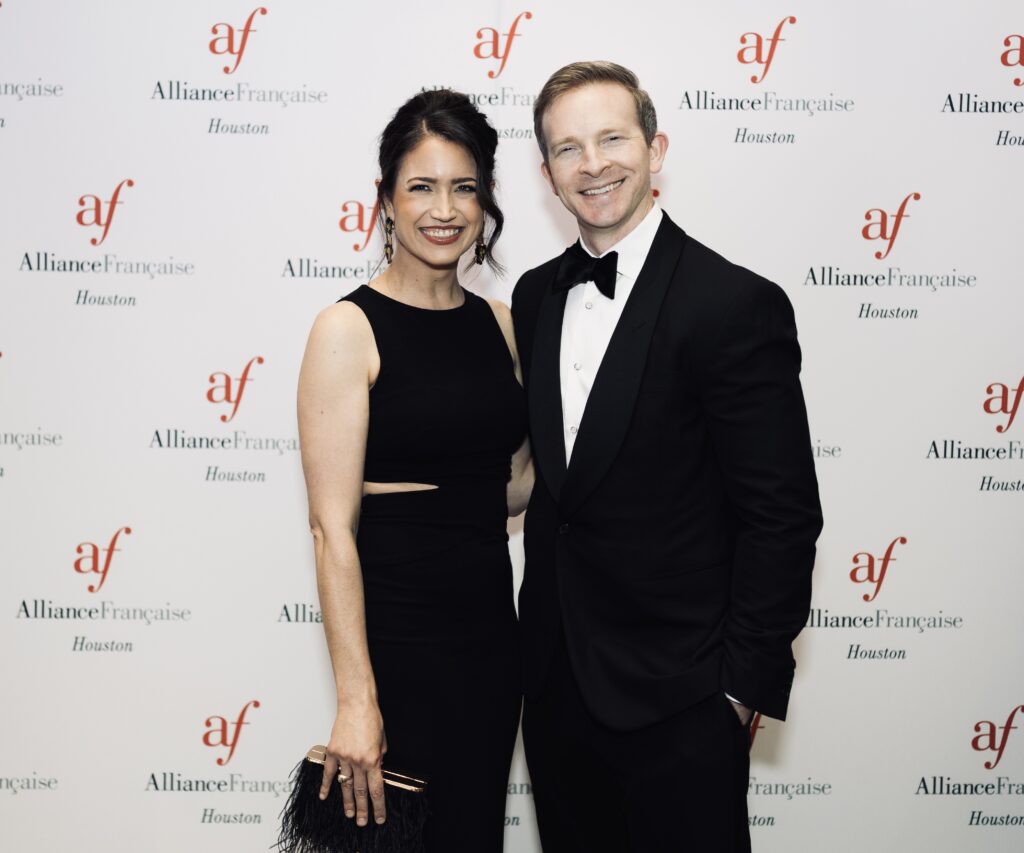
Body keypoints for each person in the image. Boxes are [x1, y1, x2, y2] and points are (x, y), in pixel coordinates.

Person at [511, 61, 824, 852]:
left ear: (657, 147)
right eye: (569, 148)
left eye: (613, 137)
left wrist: (737, 689)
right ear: (547, 174)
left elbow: (781, 514)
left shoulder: (732, 304)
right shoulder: (535, 295)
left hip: (683, 699)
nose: (594, 163)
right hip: (556, 692)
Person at [296, 88, 531, 852]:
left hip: (492, 646)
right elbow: (333, 529)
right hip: (399, 647)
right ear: (386, 200)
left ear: (486, 199)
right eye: (421, 186)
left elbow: (509, 484)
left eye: (464, 186)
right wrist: (358, 699)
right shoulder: (348, 327)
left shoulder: (502, 325)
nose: (445, 208)